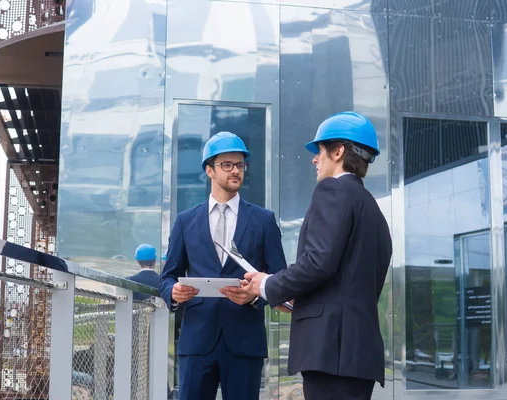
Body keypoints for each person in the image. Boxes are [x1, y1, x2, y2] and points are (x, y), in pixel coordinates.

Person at [245, 112, 393, 400]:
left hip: (330, 351)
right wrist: (293, 298)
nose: (314, 159)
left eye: (320, 151)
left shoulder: (332, 190)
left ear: (338, 152)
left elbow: (319, 262)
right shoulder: (372, 210)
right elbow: (346, 279)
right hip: (357, 353)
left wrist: (268, 284)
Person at [159, 131, 287, 400]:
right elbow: (167, 276)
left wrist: (255, 297)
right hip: (197, 339)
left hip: (244, 341)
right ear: (209, 170)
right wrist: (172, 293)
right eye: (227, 165)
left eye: (240, 165)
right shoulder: (185, 221)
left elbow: (279, 279)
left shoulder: (264, 221)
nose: (235, 171)